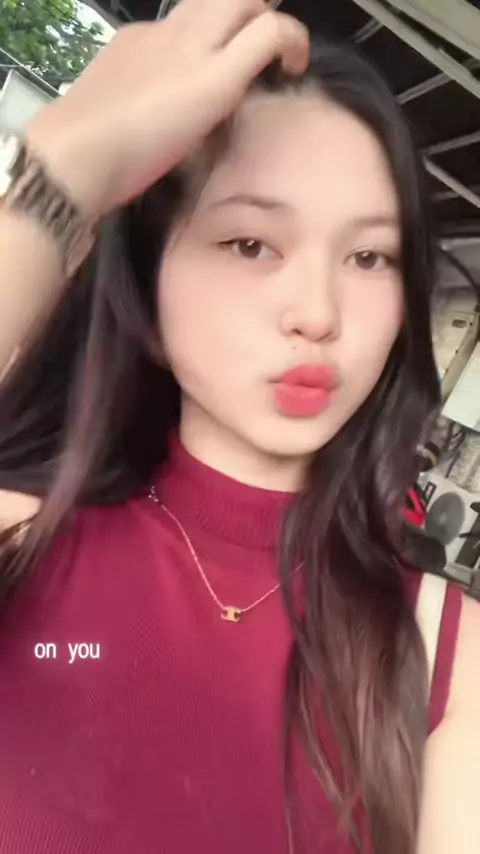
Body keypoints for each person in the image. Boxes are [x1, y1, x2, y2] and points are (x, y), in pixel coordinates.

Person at [0, 1, 478, 852]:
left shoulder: (449, 657)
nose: (318, 312)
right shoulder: (23, 543)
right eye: (252, 243)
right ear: (147, 278)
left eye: (369, 257)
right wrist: (61, 175)